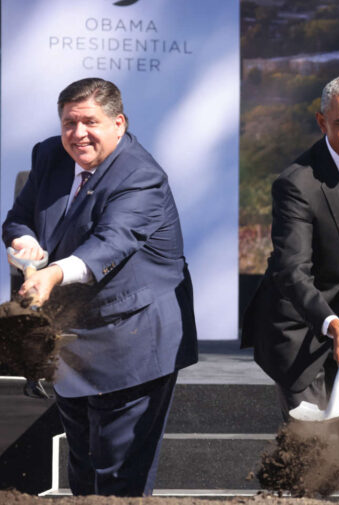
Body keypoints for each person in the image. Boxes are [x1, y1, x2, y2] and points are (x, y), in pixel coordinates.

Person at [2, 77, 198, 496]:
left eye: (89, 122)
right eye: (69, 123)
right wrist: (25, 242)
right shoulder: (50, 155)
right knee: (84, 466)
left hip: (133, 338)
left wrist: (51, 274)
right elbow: (19, 217)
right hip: (73, 338)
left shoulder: (141, 176)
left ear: (119, 123)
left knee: (118, 474)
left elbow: (110, 244)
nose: (78, 134)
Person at [241, 75, 339, 505]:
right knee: (310, 451)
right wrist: (331, 326)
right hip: (298, 326)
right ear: (322, 122)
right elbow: (292, 272)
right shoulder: (297, 183)